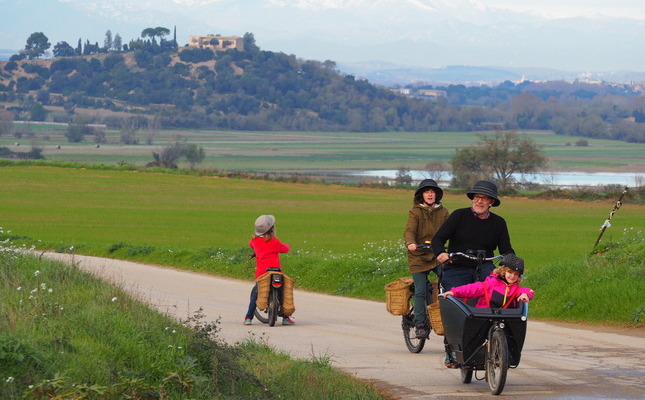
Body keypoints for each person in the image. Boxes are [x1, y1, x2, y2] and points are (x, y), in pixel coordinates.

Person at [431, 179, 515, 366]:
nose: (479, 201)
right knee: (453, 305)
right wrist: (441, 254)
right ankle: (450, 349)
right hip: (457, 266)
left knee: (499, 295)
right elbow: (438, 239)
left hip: (484, 266)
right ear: (472, 199)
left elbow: (506, 249)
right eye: (477, 197)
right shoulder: (459, 216)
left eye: (484, 198)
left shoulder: (499, 223)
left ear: (491, 202)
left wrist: (512, 264)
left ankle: (498, 338)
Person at [403, 179, 449, 339]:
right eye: (427, 191)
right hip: (418, 257)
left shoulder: (443, 212)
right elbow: (409, 231)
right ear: (421, 195)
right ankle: (420, 324)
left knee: (448, 283)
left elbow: (452, 231)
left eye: (433, 191)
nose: (430, 194)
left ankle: (446, 319)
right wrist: (411, 243)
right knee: (421, 291)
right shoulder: (415, 212)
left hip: (437, 255)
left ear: (436, 195)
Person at [244, 214, 295, 326]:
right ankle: (286, 318)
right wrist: (287, 245)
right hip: (276, 271)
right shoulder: (274, 242)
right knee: (283, 293)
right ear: (272, 229)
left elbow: (251, 244)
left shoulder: (254, 241)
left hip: (262, 272)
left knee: (257, 294)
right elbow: (284, 249)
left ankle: (248, 318)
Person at [443, 253, 534, 308]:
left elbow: (527, 290)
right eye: (510, 272)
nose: (513, 276)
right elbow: (472, 289)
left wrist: (525, 295)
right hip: (485, 314)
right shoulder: (491, 283)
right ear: (503, 271)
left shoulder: (515, 288)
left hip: (504, 317)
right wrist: (454, 292)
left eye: (516, 274)